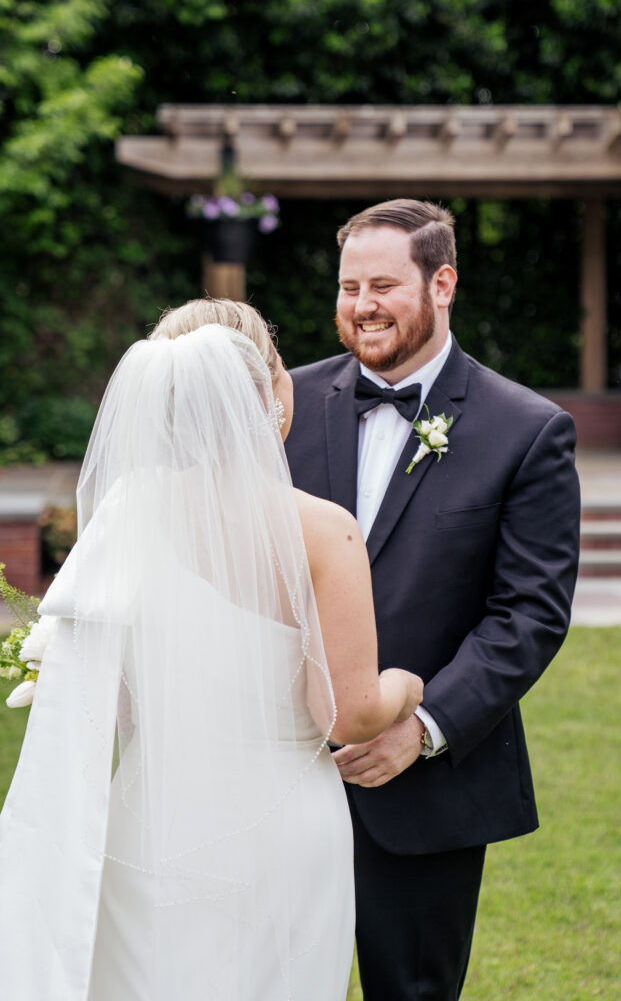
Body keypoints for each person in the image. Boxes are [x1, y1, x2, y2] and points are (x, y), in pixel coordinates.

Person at [0, 298, 422, 1001]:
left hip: (147, 818)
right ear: (271, 394)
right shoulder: (322, 531)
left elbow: (121, 702)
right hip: (279, 824)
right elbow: (345, 715)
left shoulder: (129, 510)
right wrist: (406, 686)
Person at [285, 199, 582, 1000]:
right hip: (275, 769)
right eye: (348, 287)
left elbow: (528, 614)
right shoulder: (280, 405)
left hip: (423, 787)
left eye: (383, 284)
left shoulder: (527, 430)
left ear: (441, 282)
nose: (361, 306)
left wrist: (420, 730)